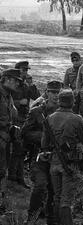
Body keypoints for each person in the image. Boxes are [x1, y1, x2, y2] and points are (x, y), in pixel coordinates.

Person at [41, 89, 83, 225]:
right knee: (66, 200)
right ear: (72, 102)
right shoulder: (76, 119)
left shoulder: (49, 118)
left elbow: (44, 144)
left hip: (54, 164)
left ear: (59, 101)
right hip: (69, 164)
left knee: (57, 197)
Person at [23, 81, 62, 225]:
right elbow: (24, 133)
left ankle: (51, 221)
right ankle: (31, 218)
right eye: (53, 92)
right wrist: (43, 137)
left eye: (58, 92)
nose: (56, 96)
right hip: (39, 156)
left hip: (57, 158)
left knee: (54, 189)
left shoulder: (64, 113)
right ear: (46, 93)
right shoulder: (36, 112)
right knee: (40, 185)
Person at [9, 61, 40, 189]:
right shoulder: (12, 84)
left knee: (21, 149)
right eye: (23, 70)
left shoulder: (26, 85)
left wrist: (32, 85)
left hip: (24, 119)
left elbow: (37, 97)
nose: (25, 73)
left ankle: (17, 176)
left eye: (27, 70)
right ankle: (13, 176)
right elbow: (6, 102)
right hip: (14, 119)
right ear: (17, 71)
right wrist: (18, 102)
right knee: (16, 149)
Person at [0, 69, 20, 214]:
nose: (18, 84)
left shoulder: (8, 96)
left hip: (4, 139)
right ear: (6, 79)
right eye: (15, 80)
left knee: (2, 172)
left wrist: (12, 128)